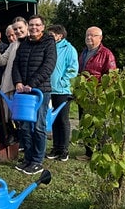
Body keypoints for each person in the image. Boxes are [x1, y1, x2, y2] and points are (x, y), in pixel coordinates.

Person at [12, 15, 56, 175]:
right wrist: (17, 81)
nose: (34, 28)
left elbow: (48, 66)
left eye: (37, 25)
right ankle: (28, 158)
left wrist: (32, 83)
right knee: (24, 126)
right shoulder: (23, 44)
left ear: (43, 27)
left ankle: (37, 160)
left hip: (40, 91)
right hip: (24, 92)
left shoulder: (49, 43)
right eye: (31, 25)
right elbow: (16, 64)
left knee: (38, 126)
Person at [76, 26, 117, 161]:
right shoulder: (84, 53)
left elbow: (111, 76)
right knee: (86, 123)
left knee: (98, 125)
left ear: (100, 38)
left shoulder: (106, 54)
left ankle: (100, 153)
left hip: (97, 95)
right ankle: (89, 153)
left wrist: (102, 92)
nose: (89, 38)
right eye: (87, 35)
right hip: (84, 94)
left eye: (93, 35)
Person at [0, 20, 26, 144]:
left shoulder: (27, 44)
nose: (11, 38)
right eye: (9, 35)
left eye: (13, 35)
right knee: (4, 112)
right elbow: (0, 61)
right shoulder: (12, 46)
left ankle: (19, 139)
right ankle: (12, 135)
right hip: (7, 85)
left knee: (18, 116)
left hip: (20, 86)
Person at [45, 25, 78, 162]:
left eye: (52, 34)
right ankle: (56, 147)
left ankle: (64, 149)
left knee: (63, 120)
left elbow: (73, 68)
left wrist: (62, 81)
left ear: (60, 35)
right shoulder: (49, 47)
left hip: (62, 91)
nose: (49, 36)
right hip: (49, 89)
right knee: (54, 120)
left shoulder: (69, 49)